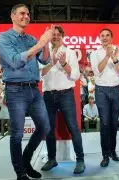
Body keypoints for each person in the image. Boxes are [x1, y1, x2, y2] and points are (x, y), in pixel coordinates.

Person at [0, 4, 52, 180]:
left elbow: (45, 60)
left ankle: (26, 161)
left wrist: (45, 44)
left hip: (34, 90)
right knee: (17, 134)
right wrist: (41, 43)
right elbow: (14, 61)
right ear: (13, 16)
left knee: (44, 127)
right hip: (15, 90)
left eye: (28, 14)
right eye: (22, 13)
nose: (26, 16)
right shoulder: (4, 38)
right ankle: (20, 173)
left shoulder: (31, 39)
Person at [40, 25, 85, 174]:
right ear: (50, 37)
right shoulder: (44, 54)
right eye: (53, 34)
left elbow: (75, 76)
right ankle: (52, 159)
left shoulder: (70, 52)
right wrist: (52, 63)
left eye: (58, 34)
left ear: (62, 36)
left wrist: (64, 63)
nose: (56, 37)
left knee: (73, 127)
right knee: (49, 129)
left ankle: (80, 160)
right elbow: (41, 74)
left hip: (65, 94)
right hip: (48, 96)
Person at [90, 28, 119, 167]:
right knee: (105, 123)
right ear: (100, 38)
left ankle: (113, 151)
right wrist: (107, 56)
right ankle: (105, 155)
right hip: (101, 91)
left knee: (113, 123)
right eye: (102, 36)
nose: (104, 38)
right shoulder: (94, 54)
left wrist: (115, 58)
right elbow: (97, 70)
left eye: (107, 35)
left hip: (116, 90)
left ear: (112, 37)